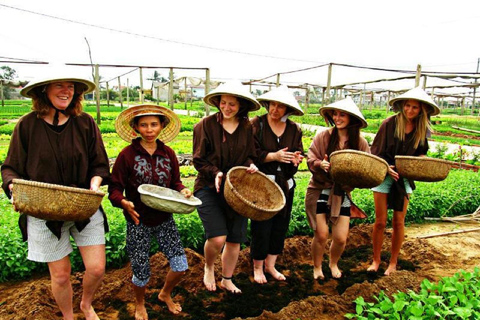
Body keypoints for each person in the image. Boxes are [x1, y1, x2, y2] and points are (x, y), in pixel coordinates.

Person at [1, 73, 110, 320]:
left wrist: (95, 184)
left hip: (82, 206)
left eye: (70, 86)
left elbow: (100, 165)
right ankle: (68, 316)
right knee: (60, 274)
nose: (66, 91)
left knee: (96, 268)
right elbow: (10, 168)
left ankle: (86, 303)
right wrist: (13, 189)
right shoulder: (27, 126)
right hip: (43, 209)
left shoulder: (85, 123)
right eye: (59, 85)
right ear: (44, 91)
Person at [108, 104, 191, 317]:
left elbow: (175, 183)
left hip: (164, 217)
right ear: (135, 128)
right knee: (141, 270)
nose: (149, 129)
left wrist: (183, 191)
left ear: (162, 126)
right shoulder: (126, 155)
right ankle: (140, 303)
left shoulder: (168, 154)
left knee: (180, 265)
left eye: (154, 124)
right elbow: (114, 189)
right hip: (138, 220)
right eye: (143, 125)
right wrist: (124, 203)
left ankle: (165, 294)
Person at [193, 81, 260, 294]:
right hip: (208, 186)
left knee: (234, 239)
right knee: (217, 237)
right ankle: (209, 266)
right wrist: (215, 172)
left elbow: (250, 154)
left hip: (237, 190)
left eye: (232, 104)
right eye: (223, 103)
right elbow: (198, 159)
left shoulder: (247, 127)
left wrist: (251, 165)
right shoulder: (205, 125)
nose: (227, 108)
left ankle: (227, 278)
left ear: (241, 106)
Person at [367, 87, 440, 276]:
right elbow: (376, 151)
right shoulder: (389, 124)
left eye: (415, 108)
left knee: (399, 221)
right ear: (402, 106)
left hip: (405, 176)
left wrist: (422, 160)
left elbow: (421, 151)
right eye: (407, 106)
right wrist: (386, 168)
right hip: (385, 173)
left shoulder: (422, 128)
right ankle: (376, 260)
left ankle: (393, 262)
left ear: (421, 110)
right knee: (381, 222)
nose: (410, 110)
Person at [304, 97, 370, 280]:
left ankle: (333, 263)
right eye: (335, 114)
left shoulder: (360, 143)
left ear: (351, 118)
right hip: (319, 189)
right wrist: (320, 164)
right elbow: (310, 158)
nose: (338, 117)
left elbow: (368, 164)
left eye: (342, 115)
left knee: (341, 238)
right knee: (322, 233)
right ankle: (317, 267)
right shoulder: (323, 136)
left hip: (341, 193)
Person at [250, 85, 304, 284]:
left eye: (280, 107)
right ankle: (257, 267)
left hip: (285, 185)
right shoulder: (257, 124)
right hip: (264, 184)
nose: (275, 109)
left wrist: (296, 158)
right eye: (273, 104)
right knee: (261, 225)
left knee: (280, 225)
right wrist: (274, 156)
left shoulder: (294, 129)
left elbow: (298, 151)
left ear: (288, 109)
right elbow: (251, 154)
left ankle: (271, 265)